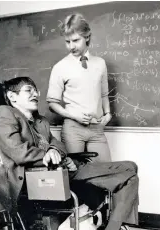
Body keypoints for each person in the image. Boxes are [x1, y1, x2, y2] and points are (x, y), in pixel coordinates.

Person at [0, 77, 141, 230]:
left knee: (131, 169)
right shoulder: (4, 113)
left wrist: (60, 154)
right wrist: (47, 155)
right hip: (36, 179)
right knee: (129, 176)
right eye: (29, 90)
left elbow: (58, 144)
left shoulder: (41, 121)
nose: (36, 94)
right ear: (12, 96)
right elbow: (17, 151)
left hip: (63, 171)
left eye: (36, 89)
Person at [46, 13, 112, 163]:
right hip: (73, 129)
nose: (71, 46)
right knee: (74, 175)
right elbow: (52, 103)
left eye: (76, 40)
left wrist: (107, 114)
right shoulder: (60, 67)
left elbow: (103, 94)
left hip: (96, 129)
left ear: (87, 36)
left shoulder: (100, 63)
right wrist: (74, 116)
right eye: (67, 42)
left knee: (106, 172)